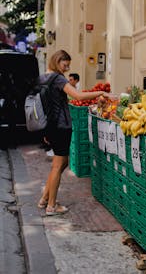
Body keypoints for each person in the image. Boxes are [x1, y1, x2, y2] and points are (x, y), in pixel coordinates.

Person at [37, 50, 108, 216]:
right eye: (65, 64)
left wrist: (46, 131)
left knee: (61, 164)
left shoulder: (43, 78)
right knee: (58, 165)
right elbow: (78, 95)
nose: (67, 68)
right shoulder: (58, 78)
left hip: (51, 126)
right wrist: (101, 93)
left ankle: (44, 199)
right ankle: (52, 206)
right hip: (61, 126)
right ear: (57, 61)